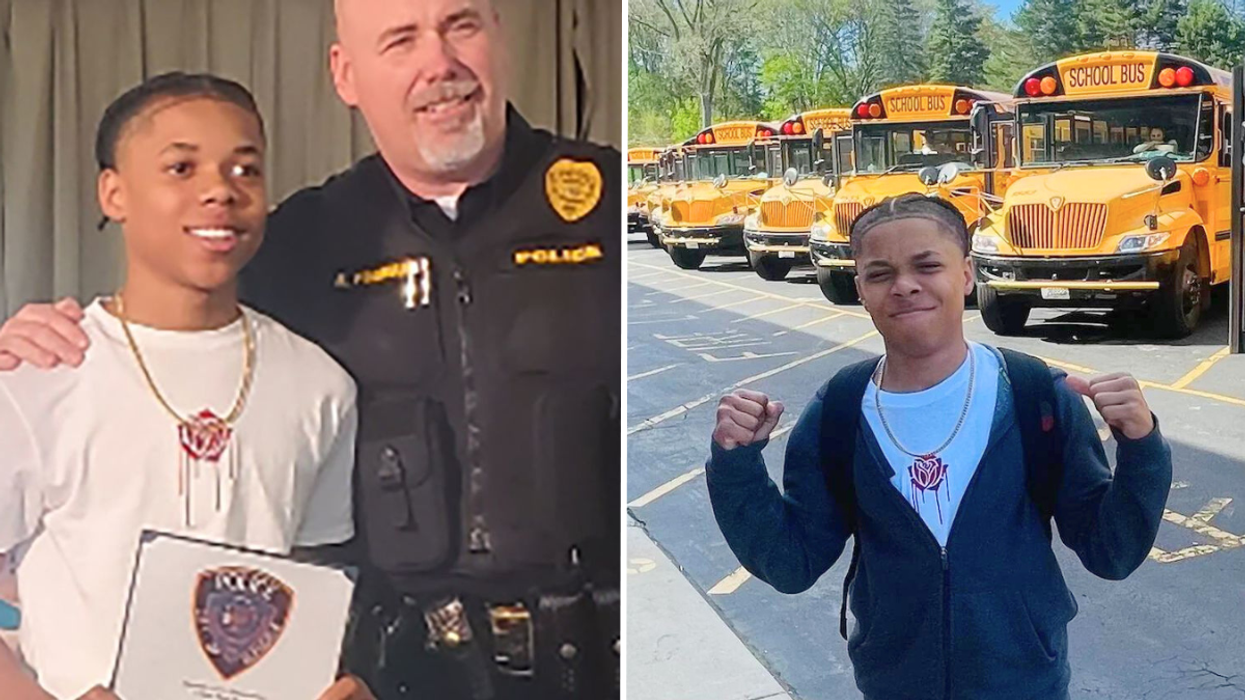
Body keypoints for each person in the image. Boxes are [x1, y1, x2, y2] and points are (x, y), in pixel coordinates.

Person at [0, 1, 620, 698]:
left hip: (609, 660)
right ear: (345, 73)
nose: (437, 64)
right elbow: (172, 321)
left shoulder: (618, 209)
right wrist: (24, 347)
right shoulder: (296, 245)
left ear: (500, 38)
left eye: (462, 25)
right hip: (397, 673)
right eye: (400, 39)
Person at [706, 194, 1172, 700]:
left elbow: (1112, 552)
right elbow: (790, 562)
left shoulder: (1034, 395)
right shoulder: (839, 410)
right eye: (880, 273)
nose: (905, 285)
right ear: (859, 287)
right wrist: (736, 465)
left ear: (967, 274)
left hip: (1025, 680)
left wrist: (1142, 448)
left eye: (927, 265)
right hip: (895, 683)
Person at [0, 73, 373, 700]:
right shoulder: (39, 373)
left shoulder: (321, 385)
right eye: (181, 167)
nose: (220, 192)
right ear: (114, 192)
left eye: (245, 170)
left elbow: (313, 579)